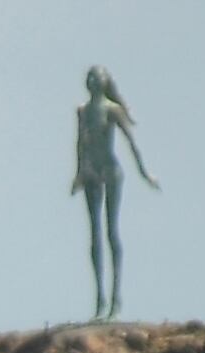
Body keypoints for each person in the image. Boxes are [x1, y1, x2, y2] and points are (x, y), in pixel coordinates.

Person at [70, 65, 157, 322]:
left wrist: (144, 173)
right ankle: (100, 300)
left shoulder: (112, 109)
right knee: (95, 235)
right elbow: (80, 143)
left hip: (110, 171)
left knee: (111, 232)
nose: (93, 80)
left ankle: (116, 300)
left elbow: (130, 142)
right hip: (91, 173)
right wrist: (78, 173)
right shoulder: (83, 111)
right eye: (90, 76)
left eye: (98, 76)